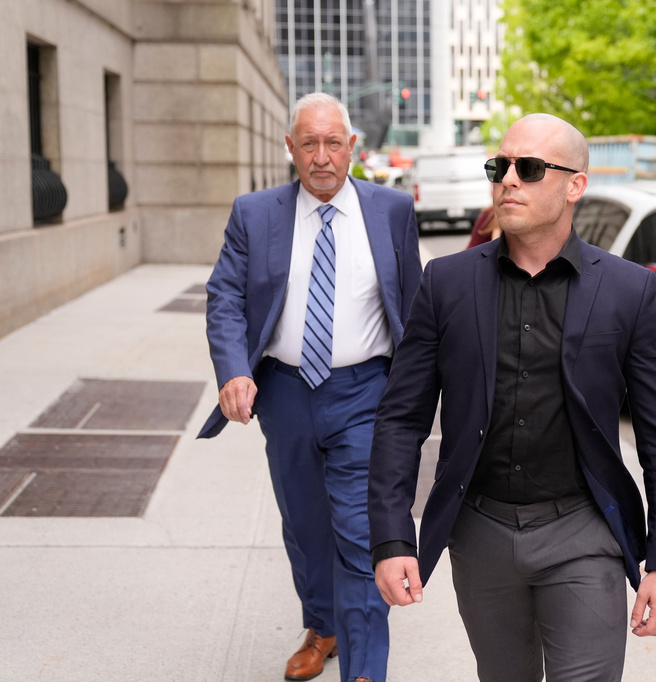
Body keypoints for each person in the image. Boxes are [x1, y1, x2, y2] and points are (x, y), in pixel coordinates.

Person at [367, 113, 656, 681]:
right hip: (480, 531)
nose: (509, 180)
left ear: (575, 184)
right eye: (501, 166)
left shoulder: (628, 290)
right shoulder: (445, 283)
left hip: (584, 531)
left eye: (530, 167)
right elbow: (401, 418)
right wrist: (393, 536)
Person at [199, 92, 422, 682]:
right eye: (309, 143)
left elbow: (413, 305)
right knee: (304, 522)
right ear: (290, 148)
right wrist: (234, 370)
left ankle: (365, 667)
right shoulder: (255, 213)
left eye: (333, 143)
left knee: (361, 527)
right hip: (286, 391)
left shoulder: (393, 210)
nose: (321, 157)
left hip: (365, 391)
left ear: (352, 147)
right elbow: (225, 296)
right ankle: (322, 626)